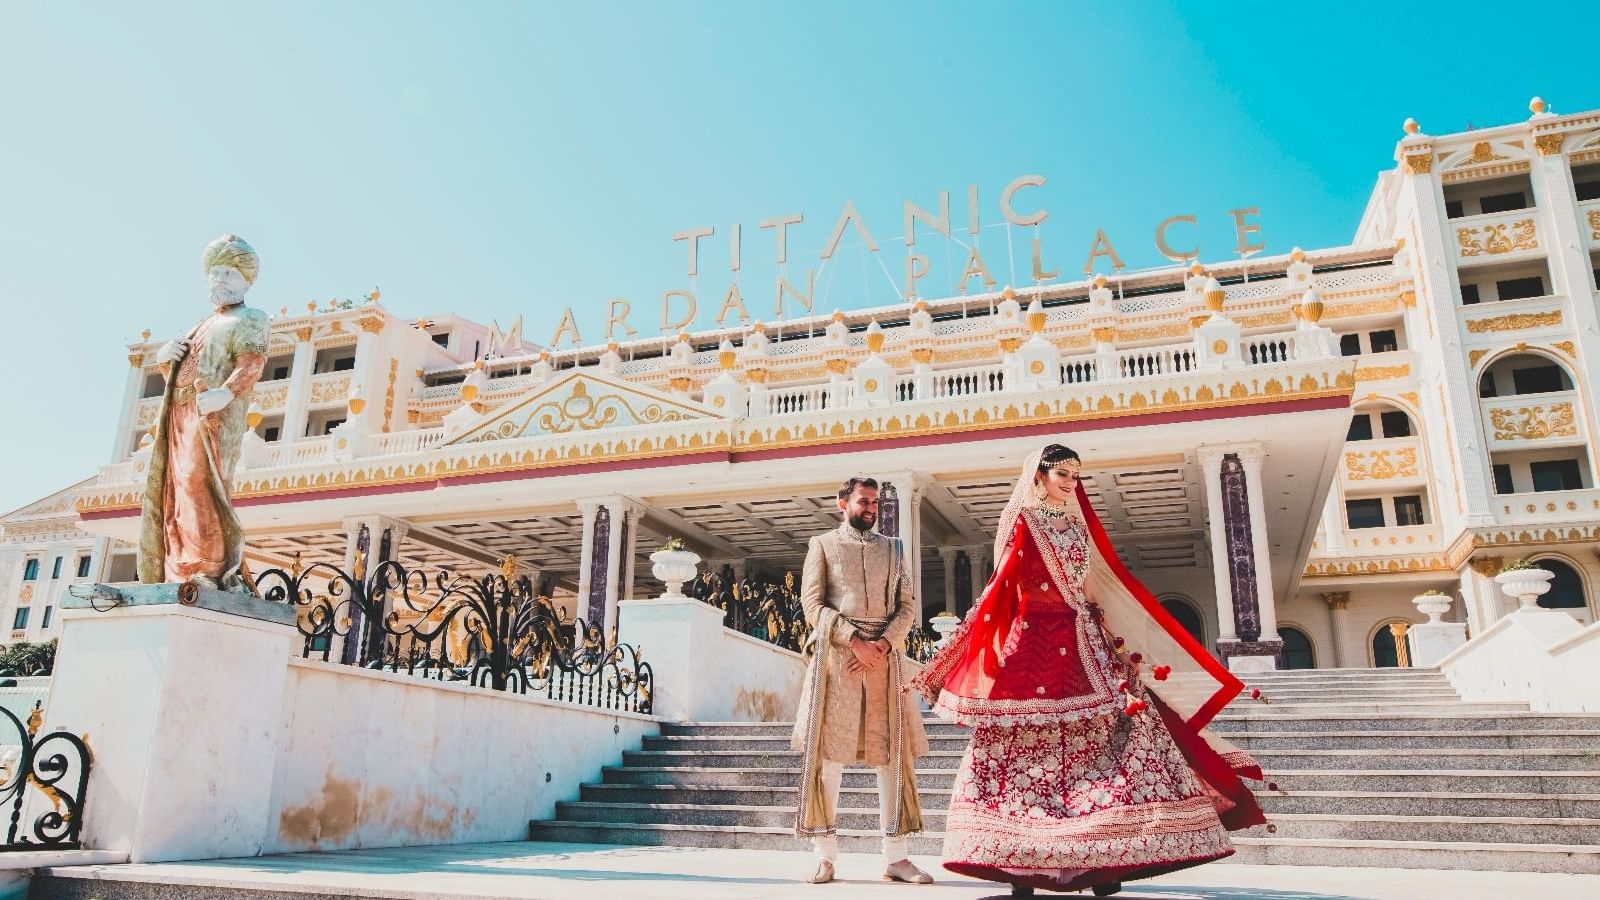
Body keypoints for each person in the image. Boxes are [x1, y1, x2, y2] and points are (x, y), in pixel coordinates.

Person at [912, 445, 1265, 896]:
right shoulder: (1022, 521)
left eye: (1076, 476)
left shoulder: (1078, 527)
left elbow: (1093, 590)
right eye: (1062, 473)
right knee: (1019, 752)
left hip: (1083, 643)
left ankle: (1103, 865)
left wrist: (1119, 645)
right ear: (1038, 476)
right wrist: (952, 656)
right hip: (1032, 646)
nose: (1070, 483)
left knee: (1109, 743)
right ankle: (1023, 872)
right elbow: (1000, 589)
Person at [791, 476, 933, 886]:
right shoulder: (822, 545)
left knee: (891, 757)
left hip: (884, 664)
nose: (871, 508)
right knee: (829, 757)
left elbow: (907, 605)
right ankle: (825, 855)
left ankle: (897, 858)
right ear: (842, 503)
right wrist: (854, 641)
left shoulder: (894, 549)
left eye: (875, 502)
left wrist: (884, 645)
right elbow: (812, 604)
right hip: (838, 660)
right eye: (863, 501)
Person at [138, 234, 270, 590]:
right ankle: (178, 568)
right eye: (215, 273)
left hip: (211, 418)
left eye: (229, 272)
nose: (220, 279)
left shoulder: (251, 318)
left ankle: (208, 566)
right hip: (180, 413)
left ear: (246, 280)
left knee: (200, 482)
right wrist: (166, 358)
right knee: (175, 489)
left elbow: (253, 362)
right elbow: (181, 369)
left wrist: (226, 393)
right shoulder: (200, 324)